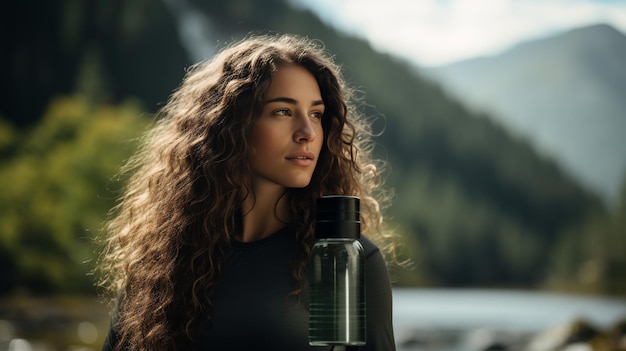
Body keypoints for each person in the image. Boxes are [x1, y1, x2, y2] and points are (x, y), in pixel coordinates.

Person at [98, 33, 397, 351]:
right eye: (283, 111)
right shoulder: (163, 258)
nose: (307, 132)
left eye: (317, 114)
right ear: (231, 125)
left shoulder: (342, 259)